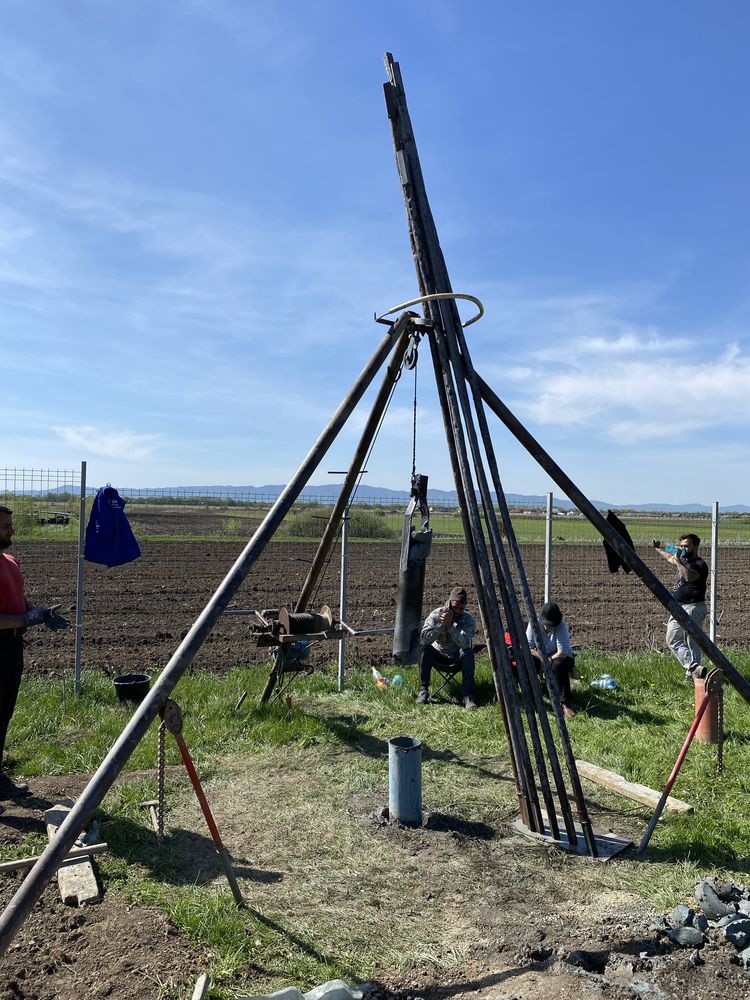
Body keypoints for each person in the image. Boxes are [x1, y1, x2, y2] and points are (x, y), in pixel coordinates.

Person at [0, 505, 70, 799]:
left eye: (11, 525)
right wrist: (26, 620)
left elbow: (17, 597)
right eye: (5, 525)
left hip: (13, 647)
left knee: (3, 715)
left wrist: (36, 612)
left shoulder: (9, 560)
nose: (11, 529)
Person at [652, 533, 708, 684]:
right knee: (672, 639)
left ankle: (693, 678)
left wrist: (678, 560)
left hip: (694, 606)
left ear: (695, 547)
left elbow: (689, 576)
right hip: (678, 607)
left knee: (692, 642)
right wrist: (658, 549)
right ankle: (694, 667)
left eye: (687, 546)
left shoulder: (700, 564)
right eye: (681, 546)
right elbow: (670, 558)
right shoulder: (681, 559)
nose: (683, 548)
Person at [416, 586, 478, 708]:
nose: (458, 611)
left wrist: (450, 627)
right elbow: (424, 639)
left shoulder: (468, 619)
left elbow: (464, 643)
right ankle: (423, 690)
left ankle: (468, 695)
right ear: (449, 602)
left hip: (457, 657)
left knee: (468, 651)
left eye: (461, 608)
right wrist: (441, 626)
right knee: (424, 648)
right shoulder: (436, 614)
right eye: (455, 607)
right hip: (438, 655)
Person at [526, 601, 576, 718]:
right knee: (528, 661)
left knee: (558, 666)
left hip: (560, 657)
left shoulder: (561, 626)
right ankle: (533, 696)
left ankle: (565, 702)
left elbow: (562, 652)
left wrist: (548, 660)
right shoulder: (533, 624)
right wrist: (543, 659)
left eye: (550, 624)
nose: (546, 626)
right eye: (546, 623)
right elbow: (528, 646)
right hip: (540, 655)